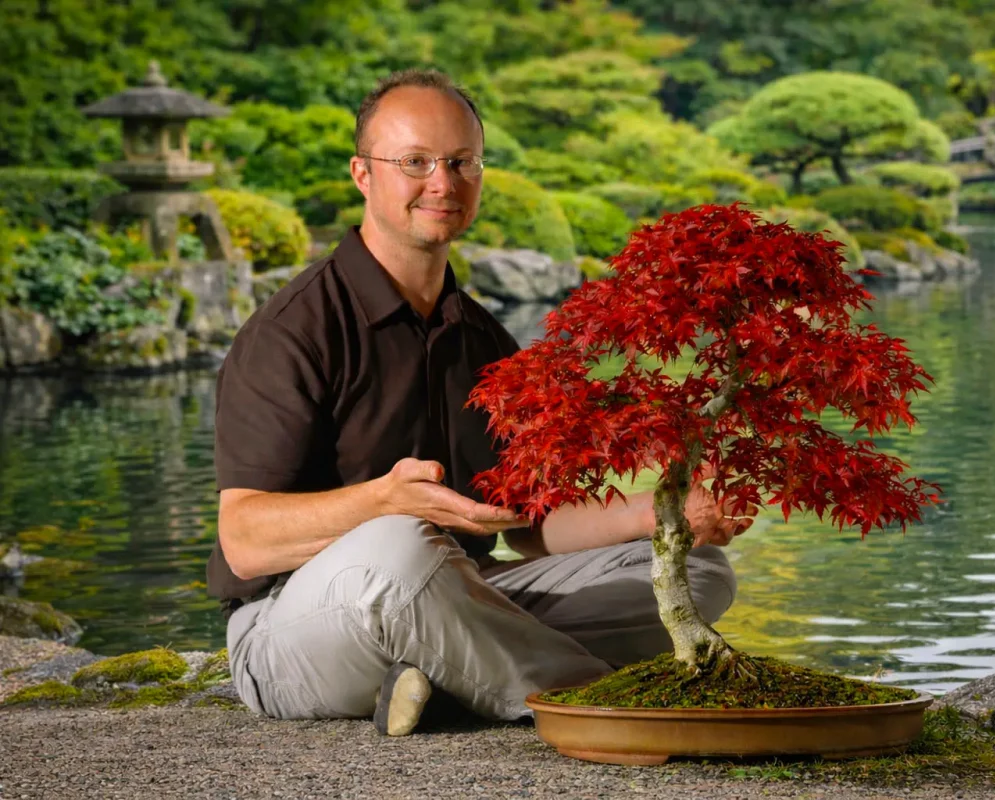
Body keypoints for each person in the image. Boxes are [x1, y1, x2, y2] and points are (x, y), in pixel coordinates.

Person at [206, 68, 750, 736]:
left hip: (456, 592)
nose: (443, 182)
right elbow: (244, 543)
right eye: (415, 162)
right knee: (400, 548)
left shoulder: (482, 336)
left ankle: (446, 686)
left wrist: (660, 512)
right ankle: (603, 707)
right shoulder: (293, 330)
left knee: (695, 570)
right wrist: (381, 503)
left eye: (462, 161)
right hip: (293, 631)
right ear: (362, 174)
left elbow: (527, 524)